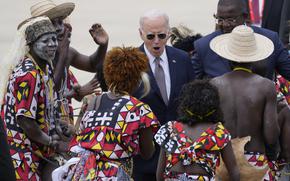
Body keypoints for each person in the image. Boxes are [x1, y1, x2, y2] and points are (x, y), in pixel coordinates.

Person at [52, 46, 160, 180]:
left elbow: (80, 136)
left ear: (108, 74)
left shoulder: (92, 101)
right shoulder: (139, 109)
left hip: (83, 174)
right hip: (113, 175)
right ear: (137, 80)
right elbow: (148, 153)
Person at [210, 25, 280, 180]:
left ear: (228, 56)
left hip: (221, 161)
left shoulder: (214, 84)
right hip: (254, 162)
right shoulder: (266, 86)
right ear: (255, 58)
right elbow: (271, 136)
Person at [133, 9, 195, 180]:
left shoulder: (182, 59)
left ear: (169, 33)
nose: (156, 41)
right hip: (144, 156)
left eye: (161, 35)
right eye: (150, 36)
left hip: (179, 155)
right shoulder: (131, 62)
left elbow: (192, 99)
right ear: (140, 34)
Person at [0, 16, 64, 180]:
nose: (52, 44)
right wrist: (51, 142)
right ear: (31, 44)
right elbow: (25, 121)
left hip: (35, 148)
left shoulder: (45, 65)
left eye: (54, 39)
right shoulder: (29, 74)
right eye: (45, 41)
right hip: (20, 152)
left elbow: (46, 107)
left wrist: (58, 126)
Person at [29, 0, 108, 123]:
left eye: (60, 22)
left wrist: (103, 45)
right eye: (52, 24)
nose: (60, 28)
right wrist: (74, 93)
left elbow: (92, 64)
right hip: (38, 125)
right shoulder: (33, 60)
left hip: (61, 122)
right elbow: (48, 93)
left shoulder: (66, 52)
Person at [154, 80, 239, 181]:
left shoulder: (170, 129)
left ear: (185, 104)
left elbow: (159, 175)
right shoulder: (218, 132)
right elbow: (234, 172)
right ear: (214, 107)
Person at [192, 0, 290, 81]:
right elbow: (190, 86)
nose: (225, 24)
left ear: (245, 17)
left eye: (231, 19)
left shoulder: (270, 40)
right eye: (220, 19)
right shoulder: (203, 47)